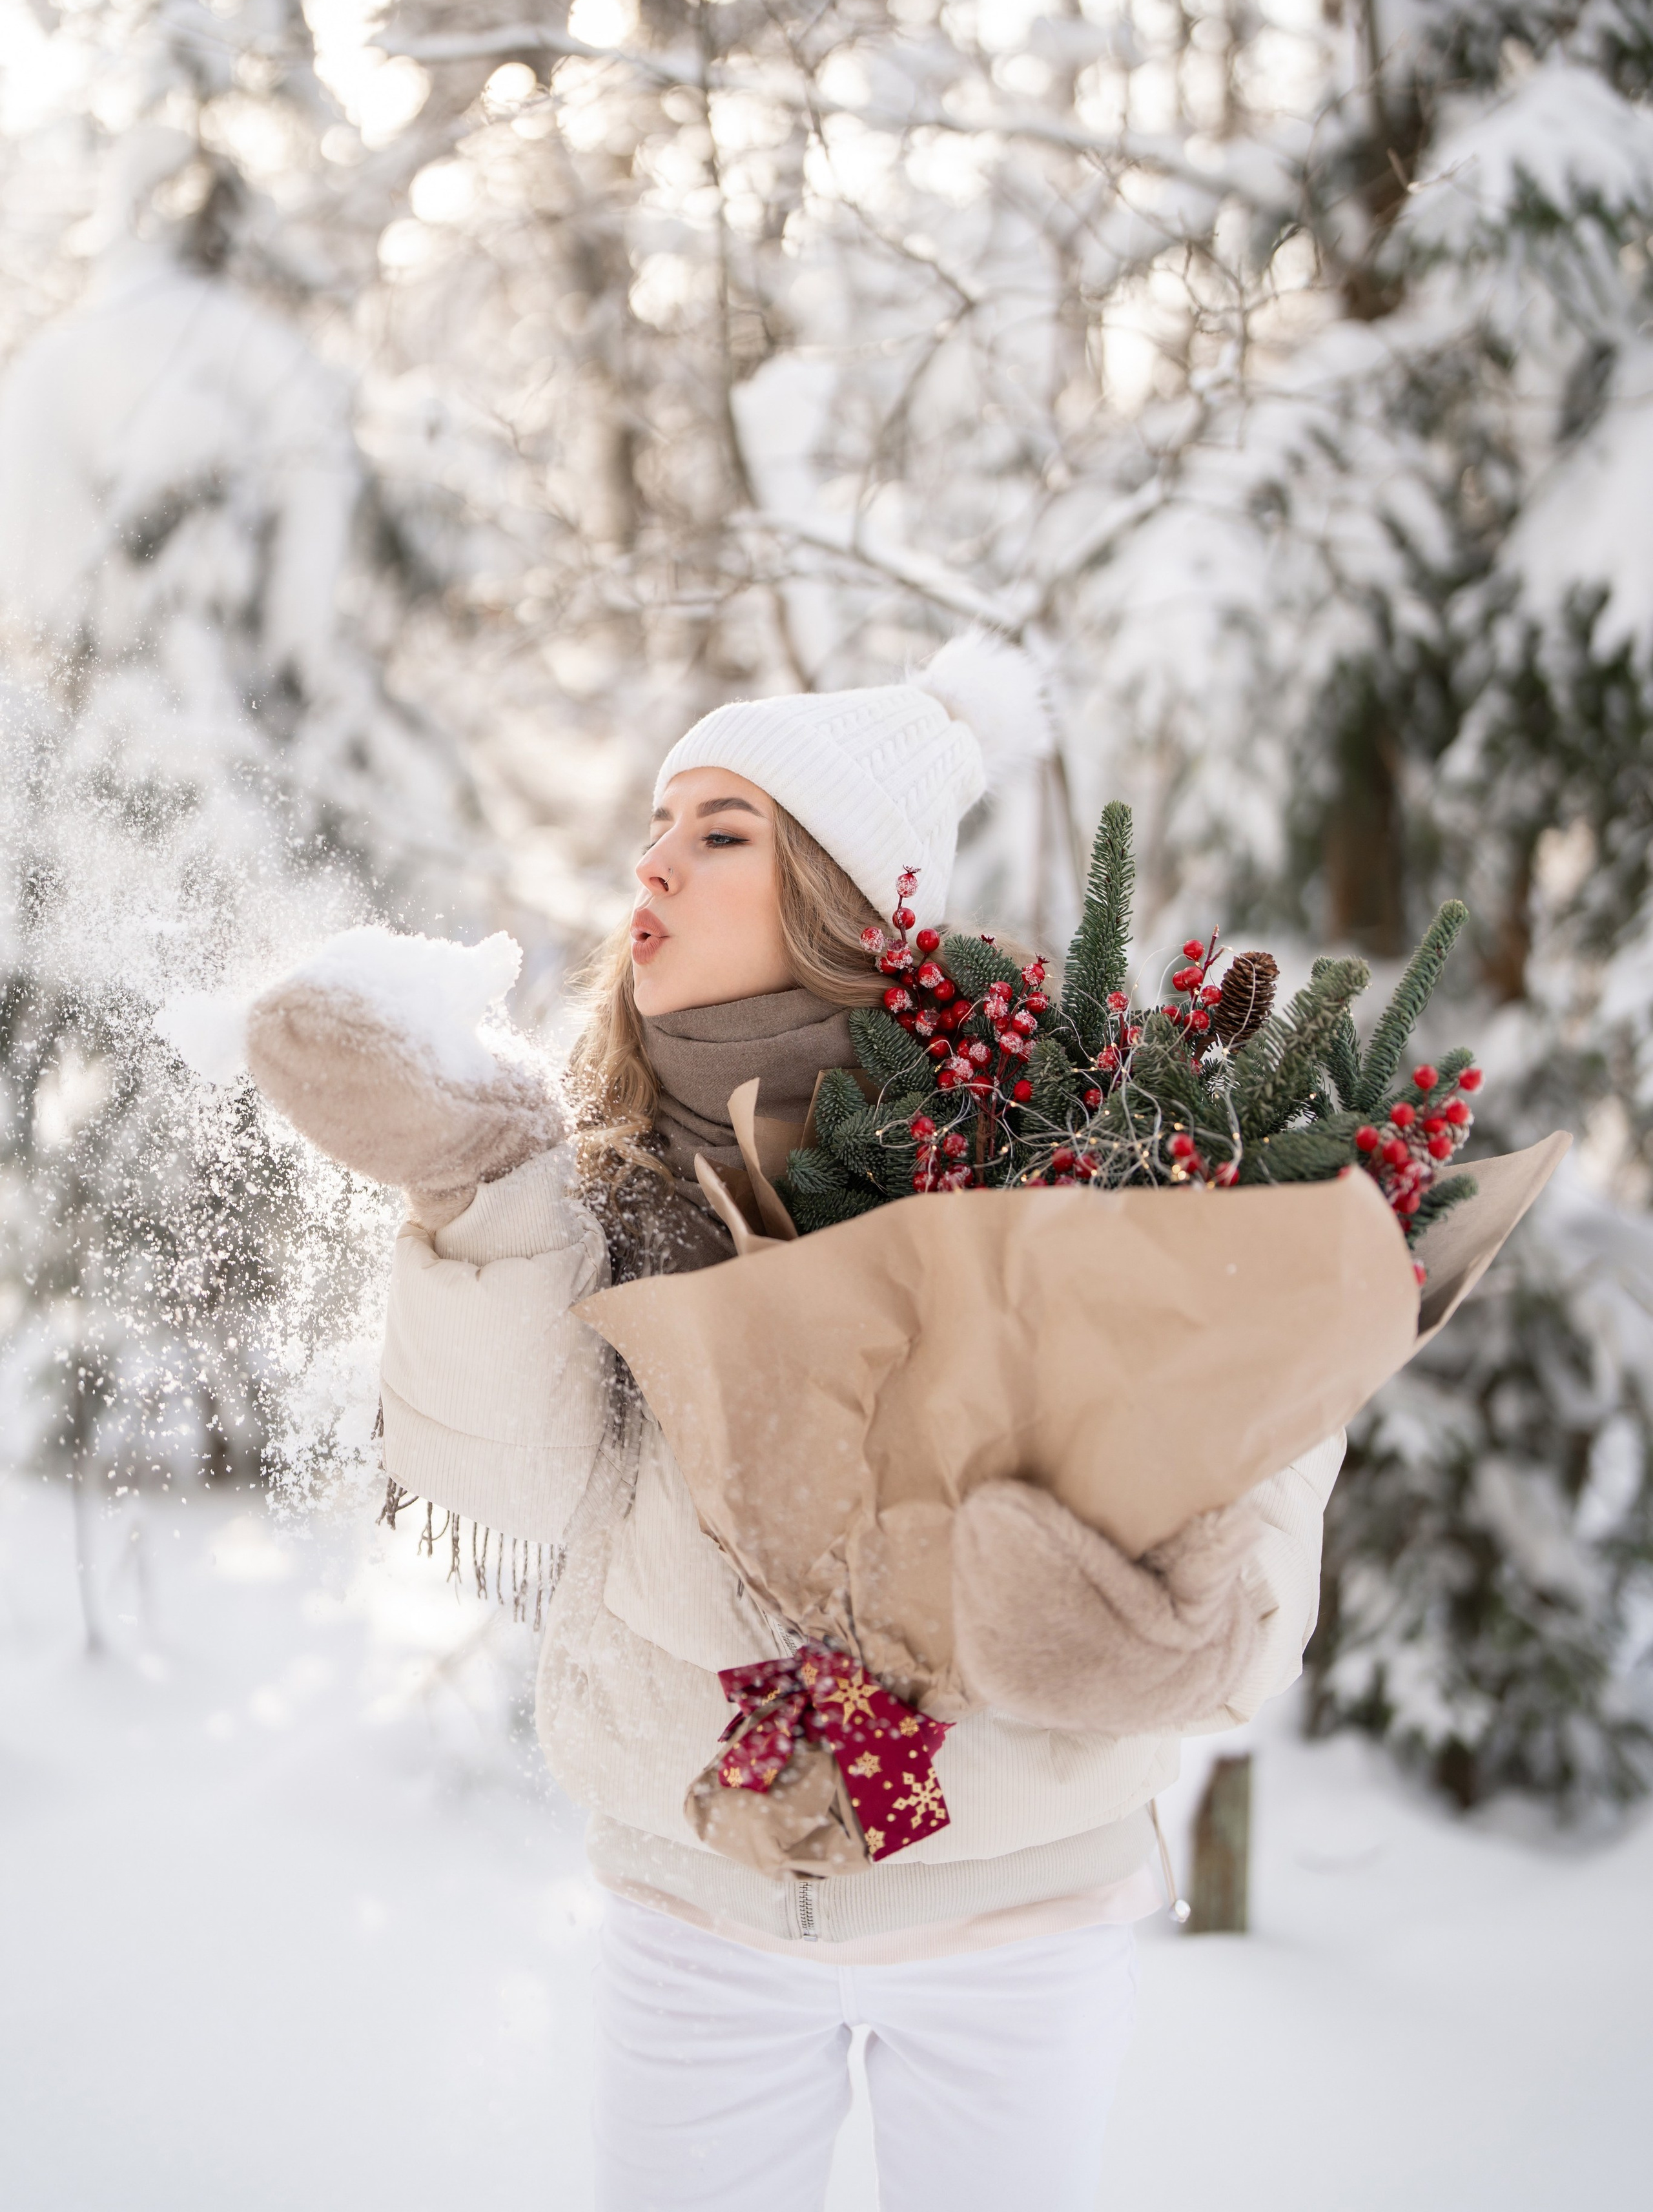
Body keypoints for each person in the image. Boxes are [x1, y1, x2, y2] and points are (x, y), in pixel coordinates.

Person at [250, 637, 1342, 2212]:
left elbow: (1257, 1405)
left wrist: (1191, 1607)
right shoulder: (605, 1169)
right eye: (654, 820)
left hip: (1010, 1910)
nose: (655, 858)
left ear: (843, 894)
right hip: (697, 1908)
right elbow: (529, 1474)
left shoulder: (1048, 1138)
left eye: (720, 830)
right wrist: (476, 1187)